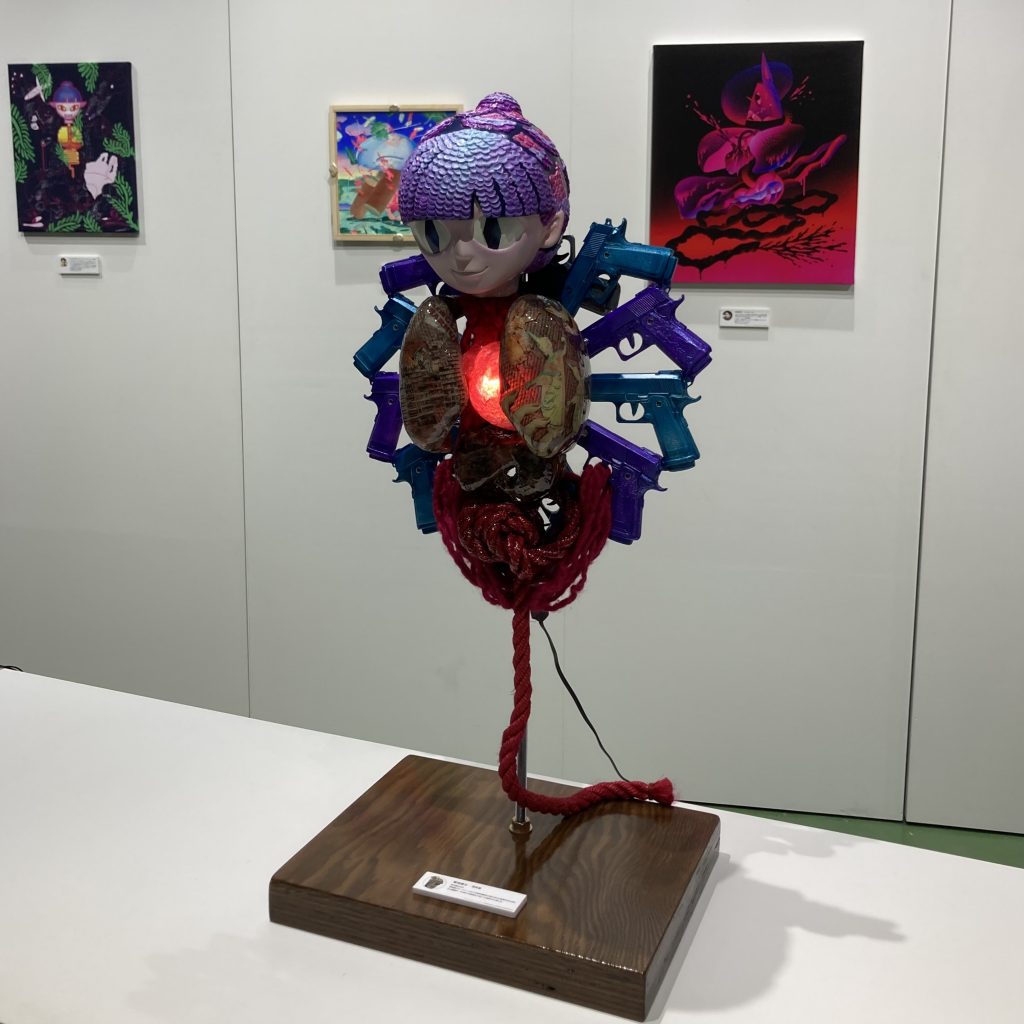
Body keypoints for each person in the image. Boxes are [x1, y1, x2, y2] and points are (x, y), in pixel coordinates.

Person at [395, 93, 588, 499]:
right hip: (472, 448)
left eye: (493, 231)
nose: (462, 256)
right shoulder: (438, 320)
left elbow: (556, 418)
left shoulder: (538, 320)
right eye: (433, 233)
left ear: (551, 228)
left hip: (531, 453)